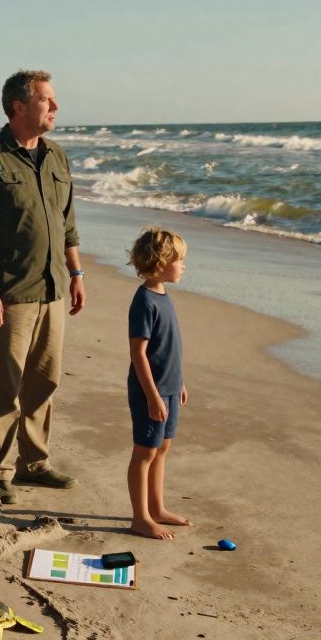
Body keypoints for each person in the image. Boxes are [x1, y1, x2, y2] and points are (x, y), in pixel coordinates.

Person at [0, 70, 86, 505]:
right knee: (2, 385)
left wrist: (77, 274)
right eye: (48, 100)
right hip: (9, 293)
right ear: (19, 107)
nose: (56, 107)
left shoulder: (57, 157)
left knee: (43, 383)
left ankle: (34, 464)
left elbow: (67, 223)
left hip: (53, 289)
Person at [125, 227, 191, 539]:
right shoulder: (145, 301)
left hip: (169, 387)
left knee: (162, 448)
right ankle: (140, 517)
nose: (183, 266)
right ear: (161, 262)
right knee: (145, 452)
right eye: (180, 260)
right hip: (148, 391)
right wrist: (151, 396)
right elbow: (139, 354)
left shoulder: (164, 295)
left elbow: (169, 347)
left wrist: (178, 383)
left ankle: (157, 507)